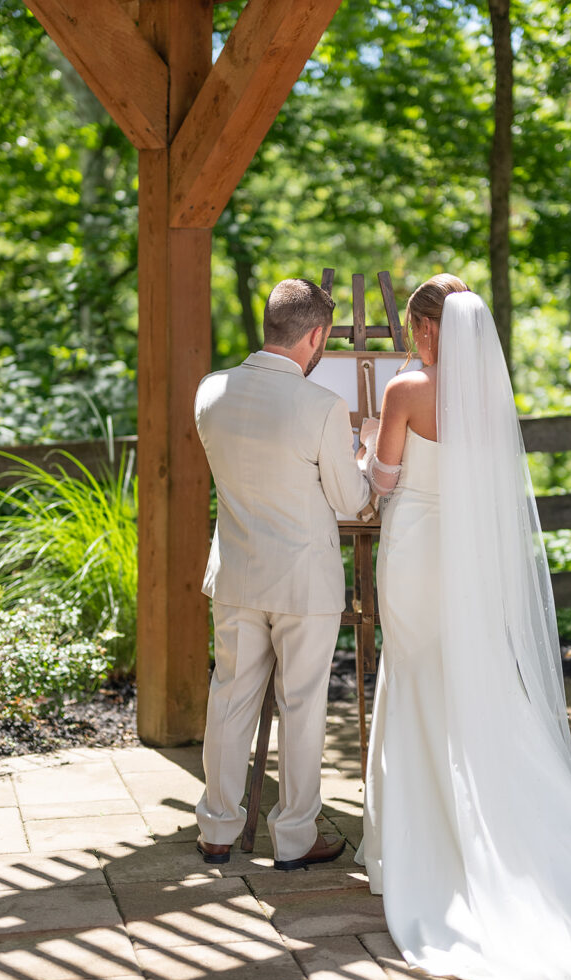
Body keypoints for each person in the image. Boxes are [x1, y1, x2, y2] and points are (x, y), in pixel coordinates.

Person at [356, 275, 571, 980]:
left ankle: (412, 851)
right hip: (467, 565)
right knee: (469, 690)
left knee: (412, 686)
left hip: (410, 550)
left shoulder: (406, 390)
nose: (412, 340)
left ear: (428, 331)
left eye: (414, 328)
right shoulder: (489, 399)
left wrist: (362, 459)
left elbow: (383, 477)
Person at [194, 278, 370, 871]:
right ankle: (294, 836)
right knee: (302, 706)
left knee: (229, 698)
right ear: (317, 335)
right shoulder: (320, 406)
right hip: (303, 581)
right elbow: (349, 500)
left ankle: (217, 828)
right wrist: (365, 456)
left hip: (238, 573)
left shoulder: (210, 391)